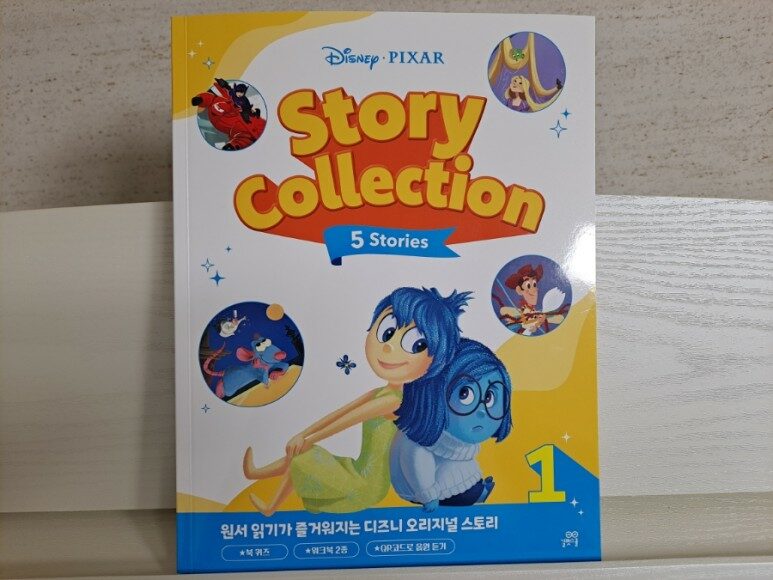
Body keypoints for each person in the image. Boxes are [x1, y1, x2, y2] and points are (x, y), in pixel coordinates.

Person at [242, 287, 471, 515]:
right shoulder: (382, 392)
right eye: (387, 333)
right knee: (305, 452)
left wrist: (306, 438)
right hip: (356, 469)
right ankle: (258, 475)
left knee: (305, 455)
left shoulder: (394, 400)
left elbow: (347, 422)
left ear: (437, 360)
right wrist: (304, 434)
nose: (388, 346)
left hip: (366, 485)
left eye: (416, 345)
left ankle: (270, 506)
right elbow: (341, 413)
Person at [390, 338, 512, 511]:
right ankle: (478, 492)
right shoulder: (417, 440)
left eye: (489, 398)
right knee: (469, 494)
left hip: (442, 475)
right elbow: (416, 465)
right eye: (465, 394)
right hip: (420, 489)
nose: (482, 411)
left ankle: (478, 490)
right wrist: (428, 496)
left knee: (470, 483)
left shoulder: (446, 434)